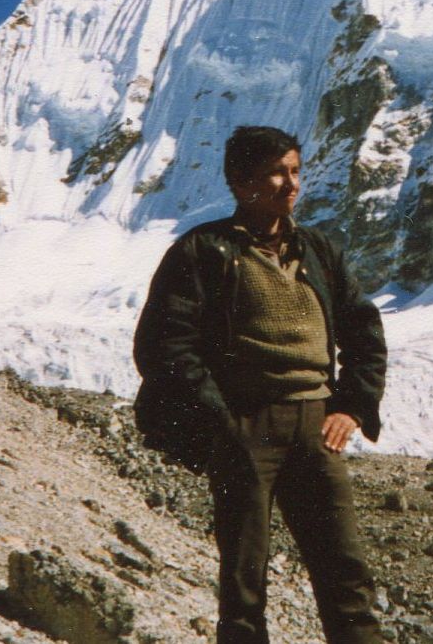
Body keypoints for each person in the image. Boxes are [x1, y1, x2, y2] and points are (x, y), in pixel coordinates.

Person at [133, 125, 388, 644]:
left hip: (318, 427)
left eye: (294, 171)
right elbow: (165, 345)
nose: (289, 184)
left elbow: (365, 332)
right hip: (246, 427)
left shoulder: (319, 250)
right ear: (239, 180)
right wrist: (222, 421)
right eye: (275, 172)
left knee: (345, 570)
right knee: (244, 578)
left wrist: (353, 408)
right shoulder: (203, 251)